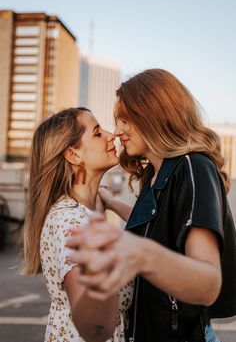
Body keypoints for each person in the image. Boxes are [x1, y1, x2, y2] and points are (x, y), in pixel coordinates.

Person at [66, 69, 236, 342]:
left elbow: (208, 283)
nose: (118, 132)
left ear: (154, 113)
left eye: (125, 120)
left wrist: (138, 253)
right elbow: (155, 225)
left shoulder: (194, 167)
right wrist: (110, 203)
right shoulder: (154, 174)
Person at [20, 107, 134, 342]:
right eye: (97, 133)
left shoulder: (87, 210)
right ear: (73, 155)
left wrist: (110, 202)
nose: (111, 135)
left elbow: (147, 222)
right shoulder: (69, 223)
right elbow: (93, 325)